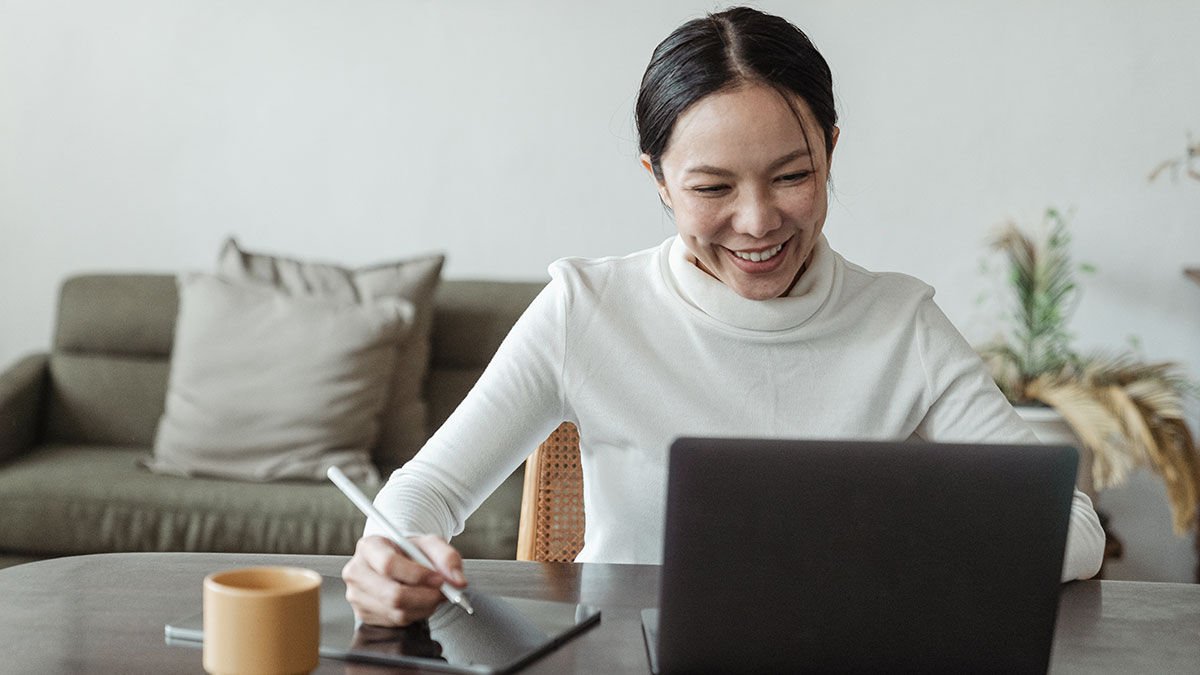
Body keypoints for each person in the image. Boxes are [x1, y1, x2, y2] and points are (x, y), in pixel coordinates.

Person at [343, 6, 1106, 626]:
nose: (757, 221)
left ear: (831, 154)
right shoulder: (588, 309)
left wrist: (901, 546)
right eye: (712, 188)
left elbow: (1073, 527)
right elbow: (425, 491)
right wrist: (392, 551)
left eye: (793, 175)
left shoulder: (901, 323)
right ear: (660, 181)